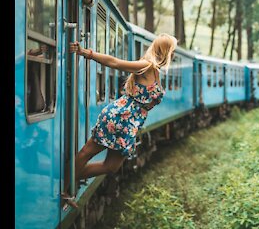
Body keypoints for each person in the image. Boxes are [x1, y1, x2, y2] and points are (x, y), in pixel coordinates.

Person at [62, 33, 177, 209]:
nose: (174, 54)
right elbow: (115, 62)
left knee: (111, 166)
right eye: (173, 51)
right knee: (87, 152)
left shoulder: (154, 71)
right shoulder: (146, 66)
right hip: (120, 116)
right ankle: (66, 188)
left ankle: (68, 178)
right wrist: (86, 53)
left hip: (130, 123)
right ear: (166, 51)